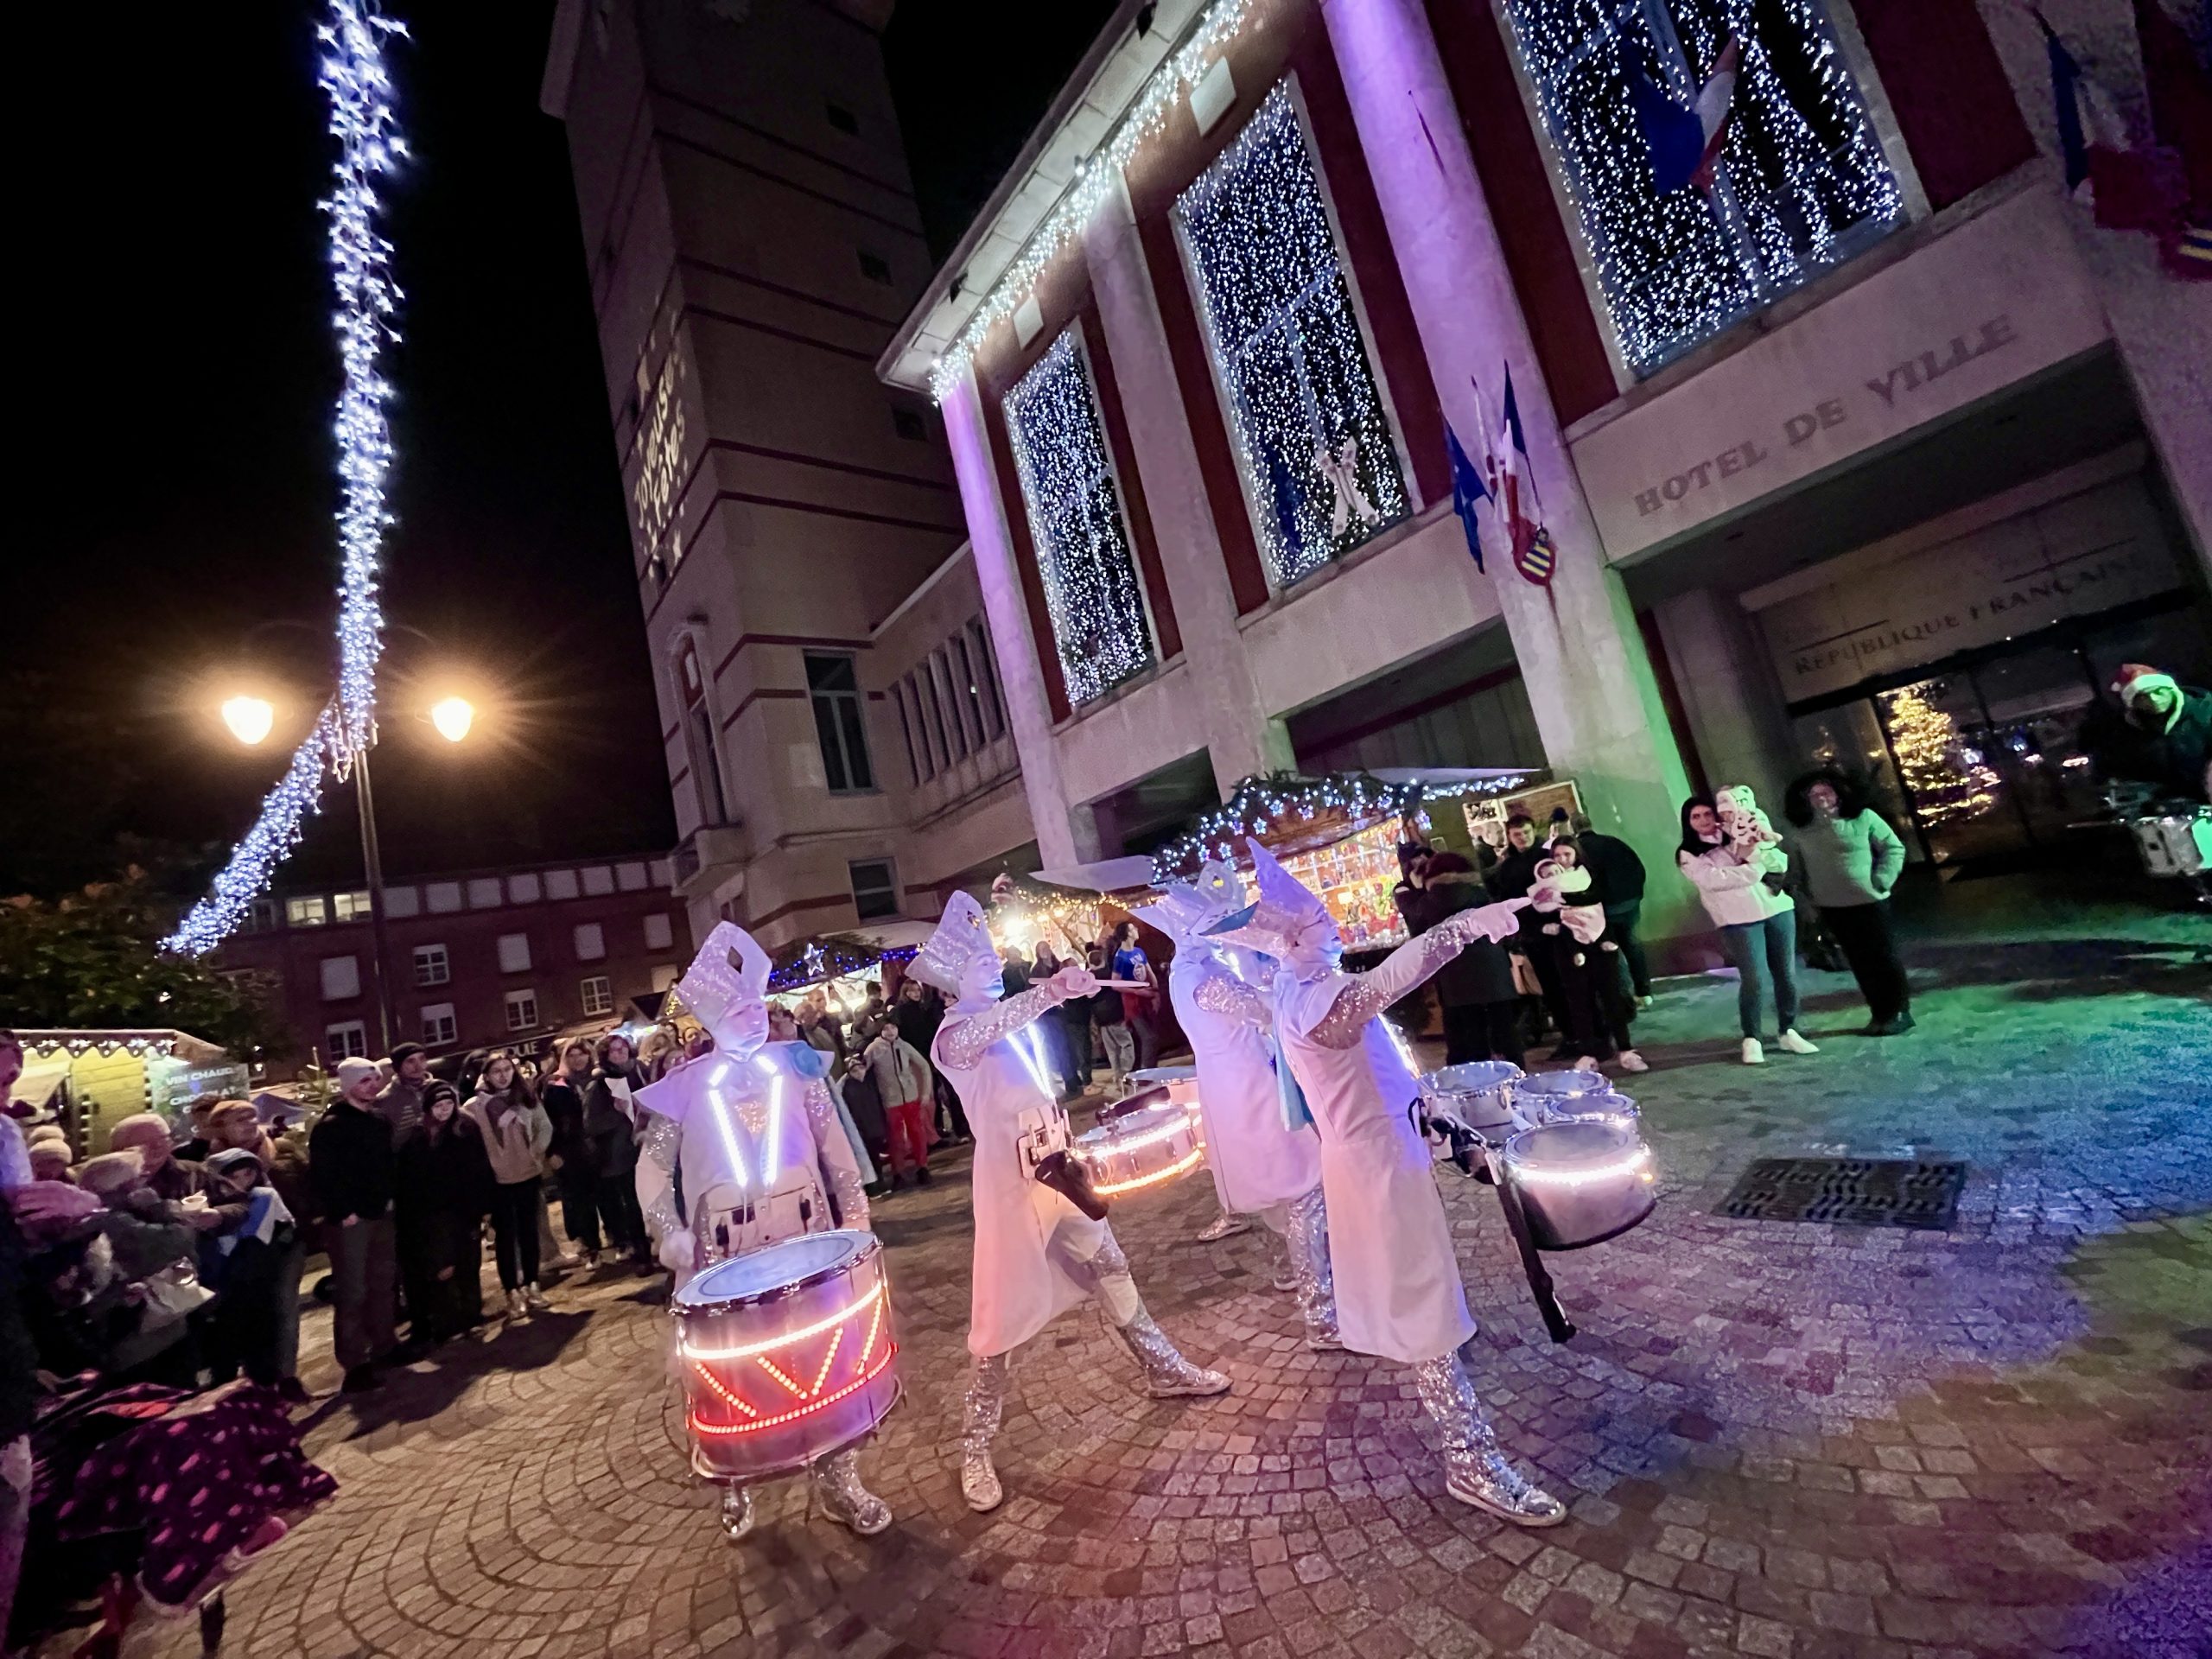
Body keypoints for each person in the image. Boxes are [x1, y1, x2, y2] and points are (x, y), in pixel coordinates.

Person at [1208, 842, 1565, 1525]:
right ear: (1291, 936)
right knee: (1423, 1307)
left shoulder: (1300, 987)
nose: (1332, 921)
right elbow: (1391, 980)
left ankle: (1456, 1406)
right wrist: (1471, 922)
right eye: (1317, 916)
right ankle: (1471, 1461)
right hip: (1377, 1170)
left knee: (1423, 1294)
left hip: (1382, 1155)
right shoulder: (1317, 997)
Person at [920, 893, 1229, 1516]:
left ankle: (1162, 1366)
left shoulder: (1007, 1019)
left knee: (1112, 1267)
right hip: (1010, 1185)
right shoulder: (955, 1035)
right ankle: (975, 1446)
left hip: (1058, 1166)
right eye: (975, 961)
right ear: (951, 978)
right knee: (1000, 1318)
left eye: (991, 957)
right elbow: (984, 1033)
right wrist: (1050, 993)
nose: (990, 963)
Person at [632, 923, 892, 1541]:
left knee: (824, 1360)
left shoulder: (797, 1069)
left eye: (756, 1005)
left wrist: (855, 1212)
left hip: (806, 1235)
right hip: (723, 1253)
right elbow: (651, 1168)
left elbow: (836, 1148)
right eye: (736, 1009)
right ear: (710, 1022)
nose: (751, 1017)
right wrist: (666, 1228)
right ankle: (736, 1479)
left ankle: (839, 1478)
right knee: (732, 1373)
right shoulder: (684, 1090)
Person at [1135, 866, 1338, 1346]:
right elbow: (1269, 1011)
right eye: (1221, 920)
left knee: (1279, 1189)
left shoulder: (1190, 970)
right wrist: (1289, 974)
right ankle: (1321, 1313)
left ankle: (1289, 1272)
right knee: (1303, 1186)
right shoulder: (1206, 977)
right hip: (1250, 1089)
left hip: (1235, 1085)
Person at [1678, 791, 1820, 1065]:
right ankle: (1752, 1038)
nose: (1704, 820)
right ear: (1688, 822)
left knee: (1786, 974)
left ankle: (1787, 1030)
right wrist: (1754, 869)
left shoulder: (1740, 831)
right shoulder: (1689, 853)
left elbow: (1780, 862)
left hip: (1777, 909)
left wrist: (1757, 853)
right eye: (1696, 816)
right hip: (1737, 920)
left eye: (1708, 813)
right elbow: (1714, 881)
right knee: (1754, 978)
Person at [1783, 770, 1914, 1035]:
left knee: (1883, 957)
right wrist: (1805, 901)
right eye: (1814, 794)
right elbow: (1798, 870)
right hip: (1832, 907)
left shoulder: (1864, 818)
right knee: (1859, 961)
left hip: (1869, 901)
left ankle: (1899, 1011)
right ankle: (1879, 1013)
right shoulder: (1802, 832)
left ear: (1839, 794)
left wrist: (1883, 878)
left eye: (1826, 792)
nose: (1820, 798)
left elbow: (1893, 847)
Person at [205, 1100, 311, 1399]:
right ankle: (254, 1379)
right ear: (221, 1126)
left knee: (284, 1307)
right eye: (240, 1119)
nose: (250, 1123)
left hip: (286, 1241)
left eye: (252, 1116)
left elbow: (305, 1181)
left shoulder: (282, 1147)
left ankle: (287, 1376)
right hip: (244, 1252)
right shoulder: (209, 1162)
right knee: (253, 1312)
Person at [310, 1055, 400, 1391]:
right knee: (353, 1290)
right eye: (364, 1081)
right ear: (349, 1085)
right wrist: (342, 1211)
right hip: (351, 1220)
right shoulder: (331, 1126)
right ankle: (354, 1361)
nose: (372, 1086)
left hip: (381, 1213)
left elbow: (386, 1164)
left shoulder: (378, 1120)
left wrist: (389, 1197)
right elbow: (324, 1174)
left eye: (375, 1079)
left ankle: (385, 1344)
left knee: (382, 1282)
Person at [1526, 839, 1646, 1073]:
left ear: (1576, 854)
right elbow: (1538, 915)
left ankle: (1626, 1049)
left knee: (1612, 997)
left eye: (1567, 854)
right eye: (1557, 855)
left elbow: (1601, 903)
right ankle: (1588, 1052)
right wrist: (1548, 926)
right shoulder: (1544, 888)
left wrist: (1607, 936)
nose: (1562, 860)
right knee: (1579, 1001)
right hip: (1567, 949)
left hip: (1600, 942)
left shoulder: (1589, 877)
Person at [1398, 852, 1525, 1069]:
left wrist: (1414, 889)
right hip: (1493, 968)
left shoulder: (1430, 900)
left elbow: (1417, 927)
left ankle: (1485, 1084)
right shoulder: (1479, 893)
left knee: (1472, 1032)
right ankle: (1518, 1073)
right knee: (1505, 1027)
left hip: (1456, 974)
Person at [396, 1080, 493, 1345]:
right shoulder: (418, 1138)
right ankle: (449, 1323)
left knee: (468, 1266)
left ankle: (472, 1318)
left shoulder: (465, 1128)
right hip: (435, 1215)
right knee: (443, 1269)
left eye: (449, 1104)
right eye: (439, 1105)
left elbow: (479, 1169)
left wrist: (483, 1207)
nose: (444, 1110)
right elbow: (411, 1180)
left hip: (465, 1211)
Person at [194, 1146, 296, 1385]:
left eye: (247, 1174)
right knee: (226, 1339)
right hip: (223, 1284)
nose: (241, 1182)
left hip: (255, 1279)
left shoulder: (263, 1196)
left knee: (261, 1336)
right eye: (233, 1176)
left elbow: (259, 1233)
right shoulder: (206, 1202)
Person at [465, 1052, 554, 1318]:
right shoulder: (474, 1106)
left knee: (529, 1231)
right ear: (487, 1076)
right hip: (497, 1181)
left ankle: (532, 1285)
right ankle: (512, 1291)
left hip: (527, 1173)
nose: (503, 1075)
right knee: (506, 1237)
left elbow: (544, 1127)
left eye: (507, 1069)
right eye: (496, 1071)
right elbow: (473, 1146)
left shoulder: (526, 1098)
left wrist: (535, 1154)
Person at [1487, 815, 1568, 1048]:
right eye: (1517, 834)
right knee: (1549, 986)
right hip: (1532, 933)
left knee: (1568, 982)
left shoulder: (1547, 859)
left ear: (1533, 831)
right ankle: (1568, 1033)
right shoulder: (1507, 867)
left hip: (1559, 927)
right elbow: (1509, 900)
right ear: (1510, 837)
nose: (1523, 838)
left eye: (1526, 832)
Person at [2080, 663, 2212, 803]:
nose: (2154, 699)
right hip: (2168, 807)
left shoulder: (2206, 713)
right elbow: (2119, 772)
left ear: (2171, 689)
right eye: (2143, 697)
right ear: (2133, 704)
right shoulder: (2124, 732)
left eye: (2159, 691)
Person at [1571, 815, 1652, 1007]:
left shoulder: (1579, 851)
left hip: (1604, 908)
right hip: (1629, 903)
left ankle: (1625, 998)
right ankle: (1644, 992)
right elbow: (1637, 868)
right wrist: (1636, 895)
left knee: (1613, 953)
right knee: (1633, 947)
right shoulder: (1614, 842)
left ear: (1572, 828)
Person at [586, 1034, 652, 1267]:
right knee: (632, 1205)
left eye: (622, 1048)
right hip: (621, 1154)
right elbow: (591, 1124)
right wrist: (617, 1112)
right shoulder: (600, 1084)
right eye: (613, 1050)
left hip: (648, 1144)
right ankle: (642, 1254)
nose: (619, 1053)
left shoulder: (640, 1072)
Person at [540, 1037, 607, 1265]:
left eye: (582, 1054)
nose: (578, 1059)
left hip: (599, 1145)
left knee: (605, 1196)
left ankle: (618, 1238)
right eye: (572, 1055)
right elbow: (548, 1121)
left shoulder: (599, 1077)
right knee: (580, 1201)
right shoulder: (555, 1084)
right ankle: (590, 1247)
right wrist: (551, 1151)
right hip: (570, 1151)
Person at [862, 1015, 936, 1188]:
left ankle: (922, 1166)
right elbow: (862, 1070)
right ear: (880, 1030)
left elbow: (924, 1066)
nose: (890, 1032)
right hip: (890, 1099)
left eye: (893, 1028)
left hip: (910, 1097)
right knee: (895, 1138)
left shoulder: (904, 1046)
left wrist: (925, 1092)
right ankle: (898, 1172)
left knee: (917, 1133)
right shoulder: (873, 1049)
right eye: (886, 1028)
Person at [1110, 922, 1162, 1073]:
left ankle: (1152, 1068)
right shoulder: (1120, 957)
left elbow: (1149, 972)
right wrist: (1137, 992)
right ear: (1126, 934)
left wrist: (1156, 992)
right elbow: (1115, 984)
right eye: (1133, 929)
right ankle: (1146, 1071)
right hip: (1133, 1002)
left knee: (1154, 1036)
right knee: (1148, 1037)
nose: (1137, 930)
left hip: (1147, 997)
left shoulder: (1139, 951)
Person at [375, 1042, 430, 1138]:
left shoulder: (440, 1088)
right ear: (398, 1066)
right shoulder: (384, 1100)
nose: (418, 1066)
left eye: (422, 1059)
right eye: (410, 1061)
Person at [175, 1096, 219, 1164]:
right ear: (194, 1118)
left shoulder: (237, 1147)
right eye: (200, 1116)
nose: (205, 1121)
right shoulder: (179, 1155)